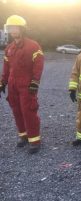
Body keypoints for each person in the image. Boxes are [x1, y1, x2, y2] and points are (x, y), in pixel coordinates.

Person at [0, 15, 44, 154]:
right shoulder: (9, 48)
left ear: (22, 29)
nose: (13, 31)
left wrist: (35, 82)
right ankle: (23, 135)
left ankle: (34, 140)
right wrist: (2, 82)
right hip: (13, 85)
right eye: (10, 28)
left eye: (15, 28)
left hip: (27, 85)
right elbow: (6, 68)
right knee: (16, 111)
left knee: (28, 111)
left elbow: (39, 65)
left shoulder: (33, 45)